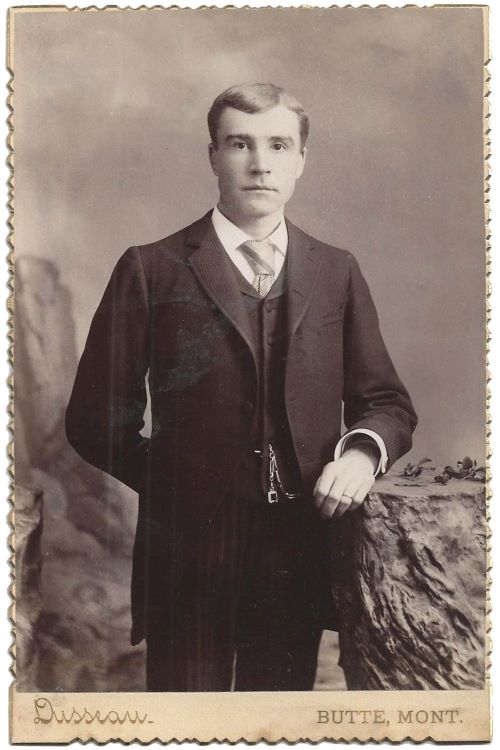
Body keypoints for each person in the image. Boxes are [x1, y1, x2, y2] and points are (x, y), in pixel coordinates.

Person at [65, 82, 417, 692]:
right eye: (240, 144)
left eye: (279, 145)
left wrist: (361, 453)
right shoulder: (150, 268)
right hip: (188, 550)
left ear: (301, 160)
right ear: (213, 155)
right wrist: (177, 480)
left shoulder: (336, 271)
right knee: (186, 719)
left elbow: (385, 402)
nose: (260, 163)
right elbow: (94, 419)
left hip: (298, 543)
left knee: (276, 713)